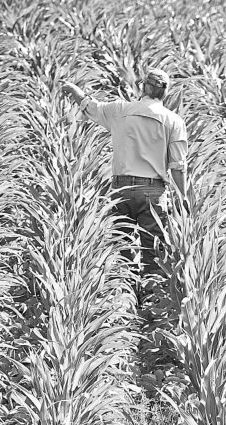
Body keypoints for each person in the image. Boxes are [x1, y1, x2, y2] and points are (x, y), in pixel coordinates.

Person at [61, 68, 188, 285]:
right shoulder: (173, 121)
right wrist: (183, 197)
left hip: (121, 189)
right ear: (165, 92)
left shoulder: (120, 110)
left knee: (122, 247)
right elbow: (178, 166)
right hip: (153, 191)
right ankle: (150, 295)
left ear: (143, 87)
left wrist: (74, 91)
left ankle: (125, 294)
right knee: (153, 250)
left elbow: (90, 106)